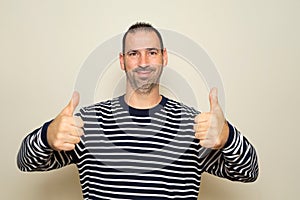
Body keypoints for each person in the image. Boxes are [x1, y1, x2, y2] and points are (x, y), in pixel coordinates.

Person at [17, 22, 259, 200]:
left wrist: (227, 135)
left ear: (164, 58)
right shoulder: (87, 123)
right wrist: (48, 135)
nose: (143, 61)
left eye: (152, 52)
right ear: (123, 61)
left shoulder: (194, 125)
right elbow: (25, 162)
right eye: (134, 53)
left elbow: (248, 173)